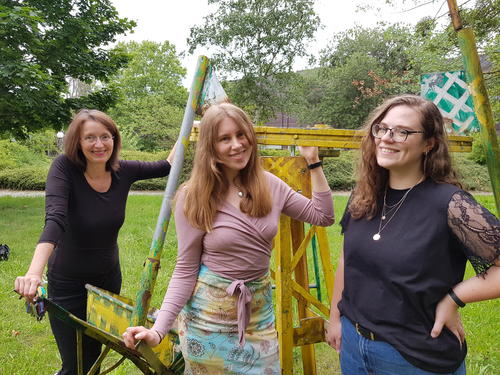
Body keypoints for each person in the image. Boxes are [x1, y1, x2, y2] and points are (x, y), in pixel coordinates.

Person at [123, 102, 335, 374]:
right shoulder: (194, 196)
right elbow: (186, 268)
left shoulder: (269, 184)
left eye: (241, 134)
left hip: (258, 317)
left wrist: (314, 163)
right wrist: (159, 330)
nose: (236, 145)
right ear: (211, 146)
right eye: (225, 138)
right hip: (208, 324)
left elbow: (323, 216)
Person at [325, 94, 499, 375]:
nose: (386, 137)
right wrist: (335, 318)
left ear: (429, 144)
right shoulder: (364, 194)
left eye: (403, 132)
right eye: (381, 128)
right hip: (355, 347)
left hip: (414, 359)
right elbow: (348, 260)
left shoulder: (451, 204)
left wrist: (454, 298)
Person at [14, 109, 174, 375]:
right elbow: (55, 219)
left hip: (107, 280)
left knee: (94, 358)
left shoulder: (124, 171)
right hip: (68, 283)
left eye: (105, 136)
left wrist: (192, 128)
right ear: (77, 141)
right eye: (90, 138)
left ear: (114, 139)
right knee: (76, 364)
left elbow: (167, 165)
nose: (99, 144)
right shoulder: (63, 168)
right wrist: (34, 271)